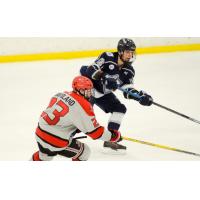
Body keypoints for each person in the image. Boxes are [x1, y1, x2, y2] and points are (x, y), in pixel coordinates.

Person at [80, 38, 153, 151]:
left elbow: (127, 89)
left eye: (132, 52)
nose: (130, 55)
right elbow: (91, 69)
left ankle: (110, 139)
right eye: (128, 52)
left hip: (102, 93)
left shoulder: (129, 70)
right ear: (120, 51)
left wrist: (139, 97)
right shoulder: (107, 57)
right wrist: (104, 76)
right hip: (88, 89)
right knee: (81, 116)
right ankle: (65, 135)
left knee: (120, 109)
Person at [31, 76, 121, 161]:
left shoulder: (59, 94)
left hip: (40, 132)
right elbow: (95, 132)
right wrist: (113, 136)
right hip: (56, 140)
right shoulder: (83, 105)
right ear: (78, 90)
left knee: (45, 155)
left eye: (90, 90)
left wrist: (76, 126)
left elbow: (61, 116)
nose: (89, 93)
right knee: (84, 152)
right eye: (85, 90)